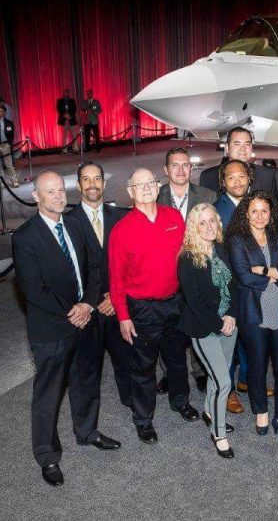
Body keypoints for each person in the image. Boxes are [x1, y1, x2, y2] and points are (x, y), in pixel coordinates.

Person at [12, 171, 120, 487]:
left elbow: (93, 269)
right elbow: (34, 290)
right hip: (51, 329)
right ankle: (47, 455)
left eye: (61, 190)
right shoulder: (25, 237)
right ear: (36, 196)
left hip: (86, 320)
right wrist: (73, 312)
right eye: (51, 192)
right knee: (49, 394)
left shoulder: (74, 223)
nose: (59, 196)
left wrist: (87, 304)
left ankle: (87, 431)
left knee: (87, 381)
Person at [108, 168, 198, 445]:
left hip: (175, 303)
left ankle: (181, 401)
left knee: (177, 359)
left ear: (158, 187)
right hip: (142, 310)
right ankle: (144, 419)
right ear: (130, 191)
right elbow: (116, 279)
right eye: (140, 185)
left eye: (151, 183)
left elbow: (187, 259)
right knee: (143, 367)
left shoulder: (174, 218)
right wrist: (123, 317)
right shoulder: (122, 230)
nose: (146, 188)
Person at [227, 190, 278, 439]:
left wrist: (263, 270)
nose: (260, 216)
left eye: (264, 211)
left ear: (271, 214)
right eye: (254, 211)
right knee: (257, 365)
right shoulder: (237, 240)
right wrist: (276, 273)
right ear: (246, 214)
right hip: (253, 312)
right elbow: (243, 276)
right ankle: (261, 411)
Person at [64, 162, 132, 410]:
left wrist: (116, 296)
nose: (92, 184)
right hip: (87, 310)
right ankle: (87, 422)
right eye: (86, 179)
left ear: (104, 183)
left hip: (118, 304)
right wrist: (90, 302)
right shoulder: (67, 222)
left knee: (127, 361)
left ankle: (135, 407)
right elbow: (66, 271)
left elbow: (133, 262)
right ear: (78, 185)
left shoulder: (122, 217)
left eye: (96, 179)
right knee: (86, 370)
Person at [178, 203, 238, 458]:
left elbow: (234, 286)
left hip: (229, 324)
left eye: (212, 220)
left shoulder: (222, 249)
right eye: (202, 222)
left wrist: (231, 315)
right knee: (224, 382)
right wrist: (219, 323)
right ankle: (219, 434)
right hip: (204, 328)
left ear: (218, 222)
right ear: (193, 227)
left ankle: (209, 411)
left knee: (217, 376)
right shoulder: (187, 259)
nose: (208, 226)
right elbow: (195, 302)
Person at [157, 146, 217, 394]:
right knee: (167, 326)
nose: (180, 170)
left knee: (197, 317)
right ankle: (169, 373)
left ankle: (200, 370)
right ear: (166, 169)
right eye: (175, 165)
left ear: (191, 168)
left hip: (198, 269)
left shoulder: (207, 195)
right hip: (166, 272)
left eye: (185, 165)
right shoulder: (155, 196)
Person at [213, 158, 254, 413]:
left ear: (249, 178)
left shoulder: (257, 205)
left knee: (250, 338)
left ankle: (247, 380)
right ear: (223, 182)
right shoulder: (216, 211)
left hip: (254, 286)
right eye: (231, 177)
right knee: (227, 341)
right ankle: (227, 391)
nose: (237, 182)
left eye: (241, 176)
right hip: (229, 287)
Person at [199, 126, 276, 196]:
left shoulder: (267, 175)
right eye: (237, 144)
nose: (243, 149)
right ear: (227, 148)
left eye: (247, 144)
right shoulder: (208, 177)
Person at [57, 89, 79, 153]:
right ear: (63, 93)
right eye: (64, 92)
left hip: (72, 120)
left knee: (74, 135)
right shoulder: (59, 101)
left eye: (66, 92)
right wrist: (64, 115)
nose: (65, 93)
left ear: (68, 93)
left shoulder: (72, 100)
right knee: (64, 136)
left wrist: (70, 116)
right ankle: (64, 150)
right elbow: (59, 109)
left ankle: (75, 149)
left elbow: (75, 109)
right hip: (64, 121)